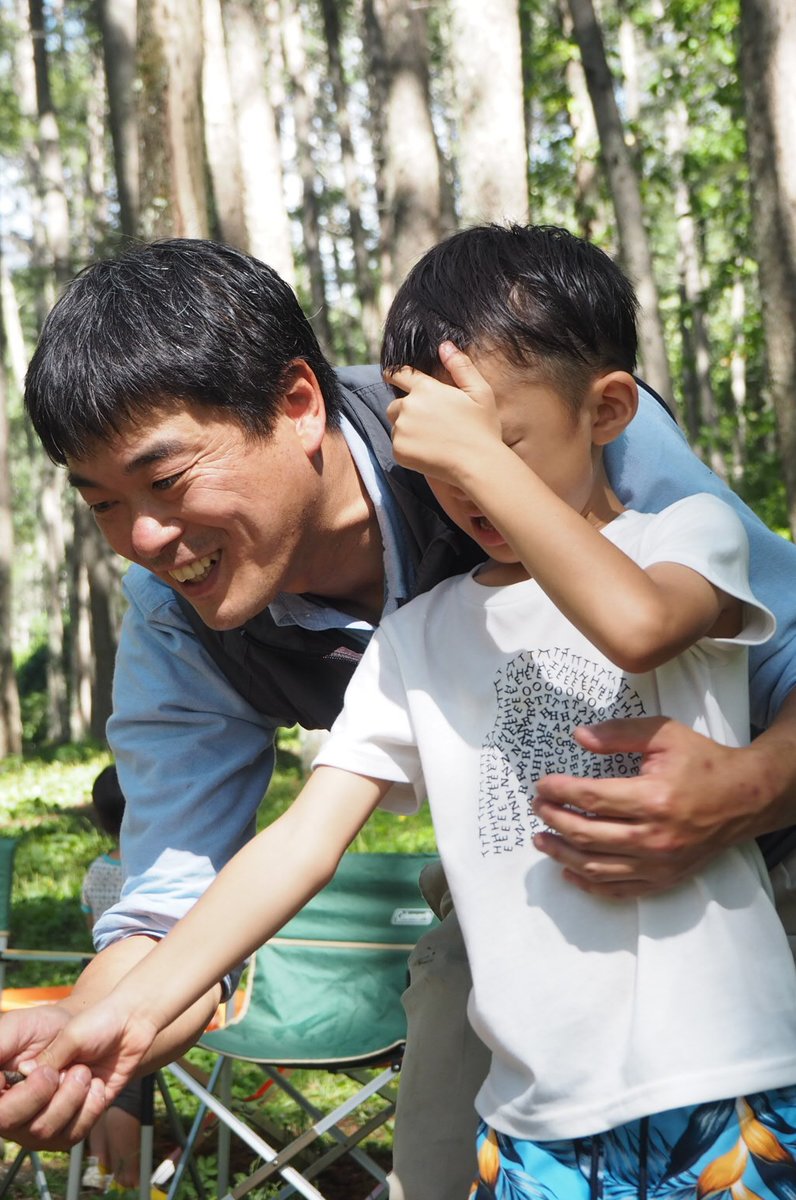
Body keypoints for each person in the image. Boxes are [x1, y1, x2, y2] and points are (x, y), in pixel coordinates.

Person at [0, 234, 795, 1200]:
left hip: (751, 911)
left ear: (299, 405)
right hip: (532, 984)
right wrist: (96, 1036)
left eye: (165, 483)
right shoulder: (341, 628)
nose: (147, 541)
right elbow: (213, 883)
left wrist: (747, 790)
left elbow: (651, 621)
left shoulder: (545, 411)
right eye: (103, 505)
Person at [80, 765, 144, 1195]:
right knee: (127, 1082)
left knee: (93, 1074)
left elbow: (91, 926)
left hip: (97, 978)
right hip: (142, 982)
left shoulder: (96, 871)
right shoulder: (152, 870)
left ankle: (95, 1168)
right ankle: (129, 1179)